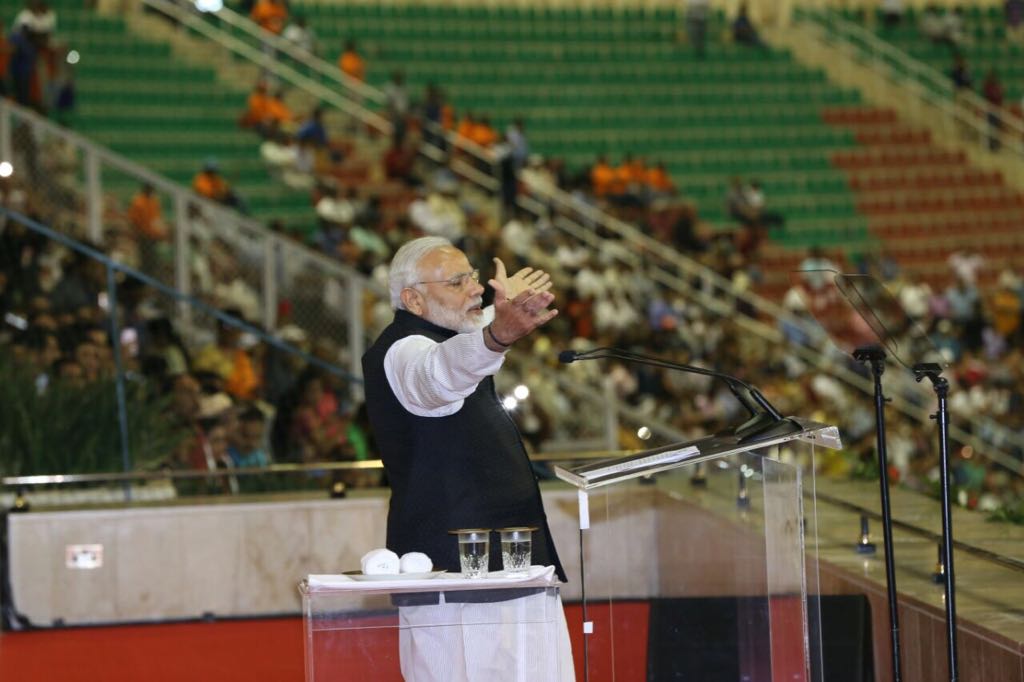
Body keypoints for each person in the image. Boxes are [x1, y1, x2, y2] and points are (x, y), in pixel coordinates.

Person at [361, 237, 573, 678]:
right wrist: (498, 334)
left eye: (473, 277)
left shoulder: (452, 333)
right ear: (412, 298)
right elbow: (441, 373)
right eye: (458, 282)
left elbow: (470, 340)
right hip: (454, 582)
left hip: (512, 570)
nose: (475, 289)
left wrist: (503, 314)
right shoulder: (403, 351)